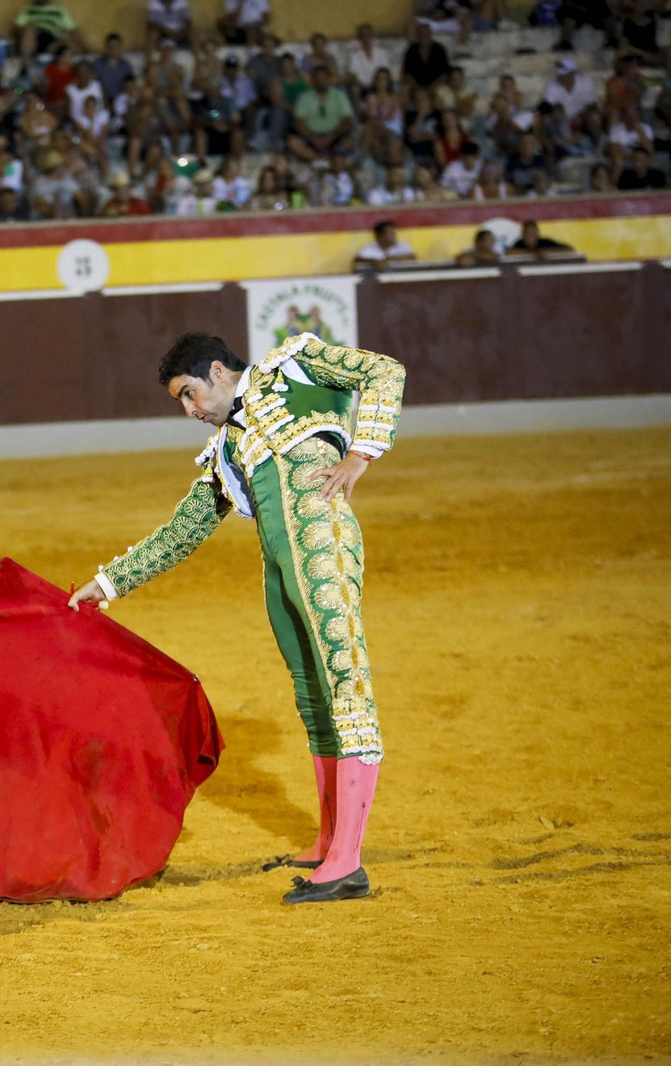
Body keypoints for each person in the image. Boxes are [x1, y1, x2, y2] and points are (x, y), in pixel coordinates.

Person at [69, 330, 405, 904]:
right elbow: (184, 530)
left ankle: (348, 862)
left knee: (344, 681)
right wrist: (106, 585)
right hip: (280, 569)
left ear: (219, 372)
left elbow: (383, 370)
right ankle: (328, 841)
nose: (190, 410)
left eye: (189, 393)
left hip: (320, 544)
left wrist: (361, 451)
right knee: (312, 693)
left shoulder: (292, 366)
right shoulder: (227, 448)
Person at [16, 2, 84, 58]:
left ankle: (81, 58)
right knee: (29, 31)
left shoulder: (59, 10)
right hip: (34, 37)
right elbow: (18, 28)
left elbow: (72, 28)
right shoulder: (28, 9)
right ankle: (26, 62)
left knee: (66, 35)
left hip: (53, 37)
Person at [507, 218, 573, 258]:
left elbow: (568, 249)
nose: (531, 235)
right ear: (523, 234)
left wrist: (545, 252)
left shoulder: (545, 242)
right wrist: (531, 254)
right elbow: (509, 253)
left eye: (533, 232)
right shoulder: (519, 243)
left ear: (537, 233)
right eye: (528, 232)